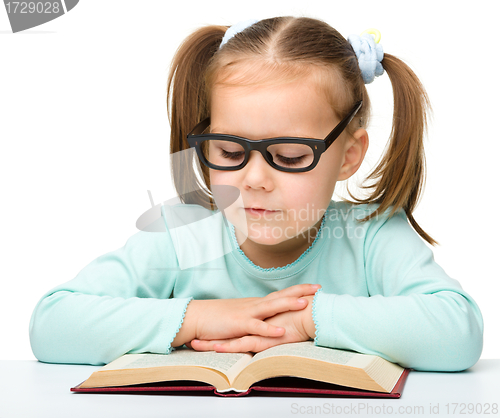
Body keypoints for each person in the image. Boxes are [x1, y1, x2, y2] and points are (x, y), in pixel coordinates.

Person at [29, 16, 483, 372]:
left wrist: (307, 320)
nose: (254, 179)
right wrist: (204, 317)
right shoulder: (182, 234)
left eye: (288, 155)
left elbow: (457, 332)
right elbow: (53, 324)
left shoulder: (370, 235)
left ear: (348, 154)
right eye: (229, 151)